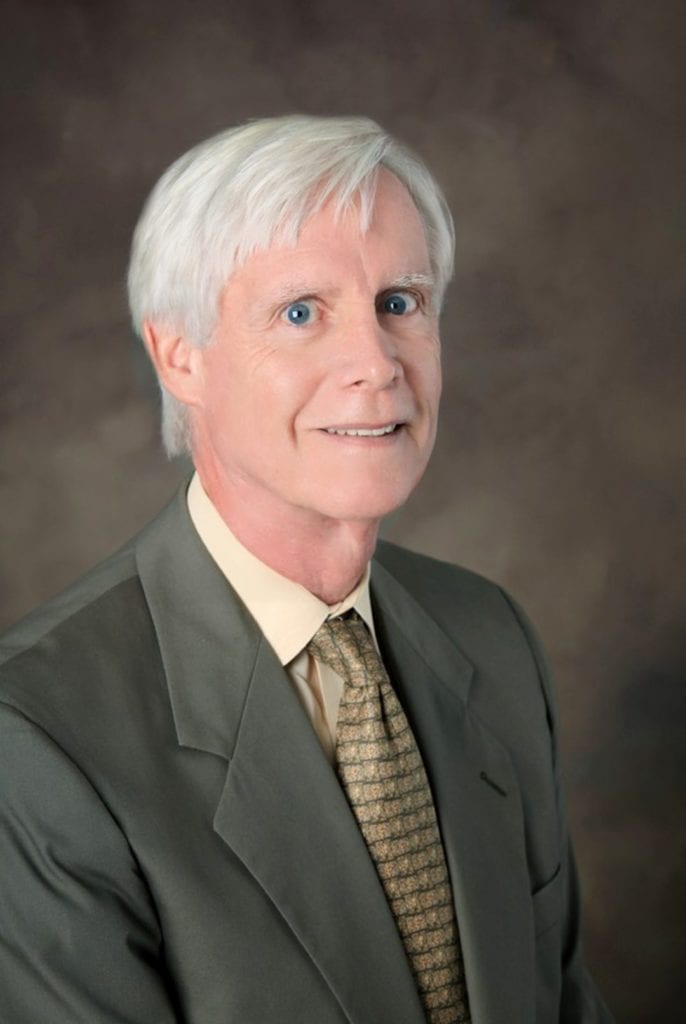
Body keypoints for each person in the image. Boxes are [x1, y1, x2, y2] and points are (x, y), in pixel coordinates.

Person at [0, 115, 613, 1024]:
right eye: (300, 312)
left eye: (399, 302)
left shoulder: (492, 636)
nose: (376, 364)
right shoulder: (34, 740)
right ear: (179, 355)